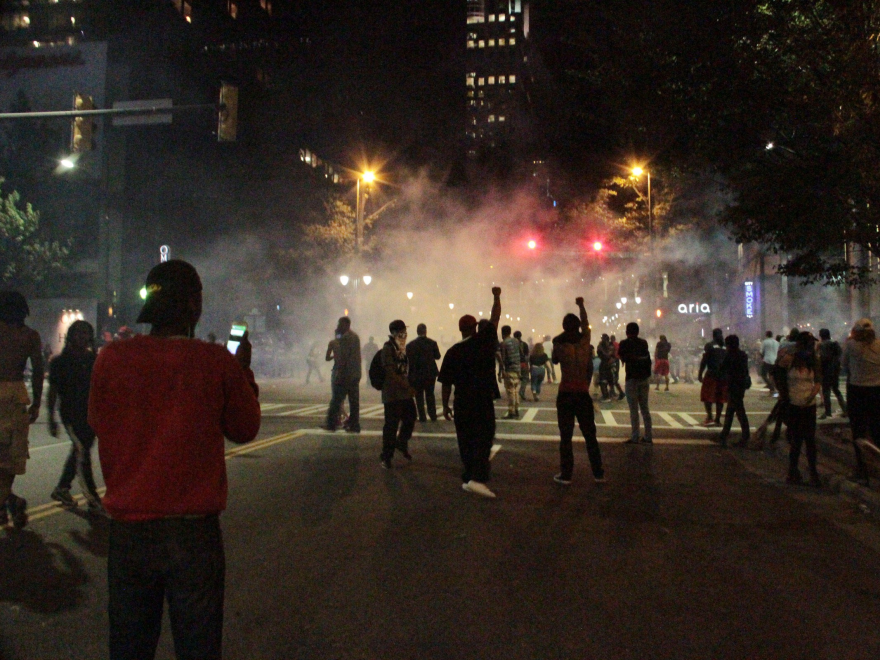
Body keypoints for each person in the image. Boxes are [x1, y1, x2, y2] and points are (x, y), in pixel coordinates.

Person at [89, 260, 260, 660]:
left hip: (130, 532)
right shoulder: (216, 362)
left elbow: (97, 422)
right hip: (193, 535)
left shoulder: (111, 358)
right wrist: (242, 371)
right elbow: (245, 428)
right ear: (195, 307)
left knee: (130, 646)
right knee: (198, 646)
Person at [439, 288, 502, 498]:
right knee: (484, 437)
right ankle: (477, 478)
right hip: (481, 400)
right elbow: (495, 318)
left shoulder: (453, 352)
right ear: (475, 328)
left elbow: (446, 382)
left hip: (462, 402)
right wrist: (496, 297)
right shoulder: (483, 342)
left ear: (460, 330)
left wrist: (445, 405)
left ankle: (468, 477)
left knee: (465, 439)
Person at [47, 320, 105, 514]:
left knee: (81, 450)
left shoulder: (93, 359)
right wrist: (51, 418)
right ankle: (93, 498)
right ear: (71, 336)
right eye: (78, 333)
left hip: (91, 413)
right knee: (83, 453)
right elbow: (53, 391)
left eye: (86, 333)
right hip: (71, 413)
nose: (82, 337)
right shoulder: (59, 362)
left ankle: (62, 488)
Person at [0, 291, 43, 529]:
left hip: (13, 398)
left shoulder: (29, 336)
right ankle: (9, 501)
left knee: (6, 456)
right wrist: (36, 403)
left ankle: (7, 502)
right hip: (15, 397)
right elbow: (37, 370)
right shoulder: (30, 336)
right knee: (10, 456)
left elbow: (38, 370)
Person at [551, 297, 605, 485]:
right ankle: (598, 473)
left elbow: (555, 359)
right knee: (590, 435)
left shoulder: (559, 343)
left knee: (565, 436)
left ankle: (566, 475)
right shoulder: (584, 342)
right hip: (582, 393)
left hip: (566, 392)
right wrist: (581, 305)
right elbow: (586, 323)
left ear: (564, 326)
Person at [781, 332, 822, 486]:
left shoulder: (814, 361)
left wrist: (811, 397)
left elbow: (817, 382)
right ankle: (793, 472)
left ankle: (813, 473)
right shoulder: (790, 360)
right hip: (793, 405)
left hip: (808, 406)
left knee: (810, 441)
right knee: (796, 440)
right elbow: (777, 373)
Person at [842, 318, 880, 485]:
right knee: (877, 429)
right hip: (877, 391)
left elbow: (844, 364)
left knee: (858, 432)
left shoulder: (851, 345)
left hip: (857, 390)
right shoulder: (879, 345)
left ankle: (862, 471)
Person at [381, 320, 417, 468]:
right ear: (394, 333)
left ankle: (401, 442)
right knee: (391, 426)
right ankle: (386, 457)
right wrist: (407, 387)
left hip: (404, 394)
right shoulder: (387, 348)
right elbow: (390, 372)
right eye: (402, 331)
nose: (405, 334)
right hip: (392, 394)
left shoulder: (401, 348)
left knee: (411, 417)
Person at [617, 322, 653, 444]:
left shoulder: (624, 343)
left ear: (627, 332)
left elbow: (622, 357)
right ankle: (648, 436)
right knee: (645, 408)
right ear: (638, 332)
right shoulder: (643, 343)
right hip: (644, 378)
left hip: (632, 379)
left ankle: (635, 436)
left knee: (634, 410)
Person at [323, 317, 361, 433]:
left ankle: (331, 423)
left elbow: (343, 357)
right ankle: (354, 424)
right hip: (354, 373)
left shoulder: (346, 338)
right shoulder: (354, 337)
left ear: (346, 324)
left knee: (337, 399)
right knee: (354, 401)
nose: (338, 326)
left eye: (340, 323)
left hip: (346, 374)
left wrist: (339, 372)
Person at [717, 334, 750, 448]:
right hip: (740, 385)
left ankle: (745, 436)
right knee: (731, 411)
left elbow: (722, 368)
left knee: (739, 411)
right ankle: (724, 434)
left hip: (733, 385)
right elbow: (745, 370)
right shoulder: (742, 355)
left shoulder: (730, 355)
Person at [406, 324, 441, 422]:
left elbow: (408, 359)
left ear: (417, 332)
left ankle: (422, 416)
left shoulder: (410, 345)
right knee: (430, 394)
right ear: (425, 331)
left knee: (419, 396)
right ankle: (433, 415)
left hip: (416, 374)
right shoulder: (432, 343)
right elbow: (438, 356)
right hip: (430, 373)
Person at [698, 328, 727, 426]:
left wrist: (700, 373)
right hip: (723, 375)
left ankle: (710, 417)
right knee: (720, 398)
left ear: (713, 335)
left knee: (707, 396)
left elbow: (704, 360)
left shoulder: (709, 345)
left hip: (711, 374)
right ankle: (718, 419)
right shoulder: (725, 346)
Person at [818, 328, 847, 419]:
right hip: (835, 371)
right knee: (836, 390)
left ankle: (828, 412)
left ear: (821, 336)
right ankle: (845, 410)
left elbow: (822, 358)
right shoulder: (835, 343)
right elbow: (840, 355)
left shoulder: (822, 345)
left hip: (826, 371)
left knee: (826, 392)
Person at [497, 325, 522, 419]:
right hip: (518, 369)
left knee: (510, 391)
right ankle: (516, 409)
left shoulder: (503, 343)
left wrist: (500, 372)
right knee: (516, 390)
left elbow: (502, 359)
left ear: (503, 333)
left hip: (509, 369)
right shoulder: (517, 341)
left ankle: (511, 411)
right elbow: (521, 354)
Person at [596, 334, 615, 402]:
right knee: (610, 380)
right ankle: (610, 394)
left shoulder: (602, 346)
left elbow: (602, 353)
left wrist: (609, 358)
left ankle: (606, 396)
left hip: (605, 364)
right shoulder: (610, 345)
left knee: (603, 380)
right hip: (608, 363)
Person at [760, 330, 779, 395]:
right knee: (772, 375)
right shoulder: (776, 342)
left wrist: (762, 358)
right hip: (775, 360)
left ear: (766, 335)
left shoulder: (765, 342)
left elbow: (761, 352)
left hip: (767, 360)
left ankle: (771, 387)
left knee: (763, 374)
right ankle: (774, 387)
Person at [514, 330, 530, 402]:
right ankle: (521, 391)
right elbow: (527, 355)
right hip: (523, 363)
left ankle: (513, 394)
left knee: (515, 379)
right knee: (525, 378)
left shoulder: (512, 345)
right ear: (521, 336)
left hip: (514, 363)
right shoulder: (525, 344)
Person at [609, 334, 625, 400]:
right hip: (617, 361)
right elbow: (620, 353)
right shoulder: (618, 344)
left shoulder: (610, 345)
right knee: (615, 376)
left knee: (612, 376)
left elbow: (610, 353)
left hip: (613, 361)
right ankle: (612, 391)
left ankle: (617, 392)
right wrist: (622, 361)